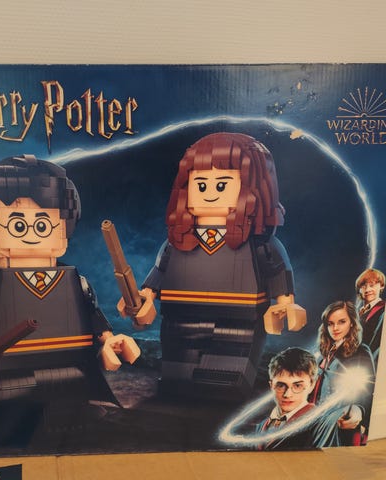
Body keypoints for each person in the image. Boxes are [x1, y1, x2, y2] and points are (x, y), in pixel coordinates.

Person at [0, 154, 139, 436]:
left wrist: (109, 342)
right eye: (17, 224)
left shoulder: (77, 285)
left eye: (43, 224)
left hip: (71, 384)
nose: (32, 233)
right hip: (4, 387)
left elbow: (95, 324)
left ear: (63, 228)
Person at [118, 132, 306, 399]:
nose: (209, 194)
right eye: (200, 185)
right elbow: (160, 273)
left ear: (252, 190)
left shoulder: (259, 245)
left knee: (223, 384)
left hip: (238, 325)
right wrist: (144, 298)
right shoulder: (176, 243)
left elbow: (277, 272)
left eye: (221, 186)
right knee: (176, 384)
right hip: (179, 322)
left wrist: (285, 304)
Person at [310, 300, 375, 445]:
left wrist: (359, 410)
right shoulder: (323, 354)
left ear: (352, 323)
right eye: (330, 323)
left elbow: (369, 389)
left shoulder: (361, 352)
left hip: (341, 424)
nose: (335, 328)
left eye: (342, 322)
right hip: (317, 423)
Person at [256, 347, 338, 450]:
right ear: (271, 385)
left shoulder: (320, 423)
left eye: (297, 386)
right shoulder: (261, 426)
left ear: (312, 385)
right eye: (281, 385)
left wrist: (354, 411)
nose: (287, 394)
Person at [355, 268, 385, 362]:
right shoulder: (356, 314)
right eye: (363, 286)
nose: (368, 289)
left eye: (372, 285)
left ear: (381, 286)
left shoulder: (383, 310)